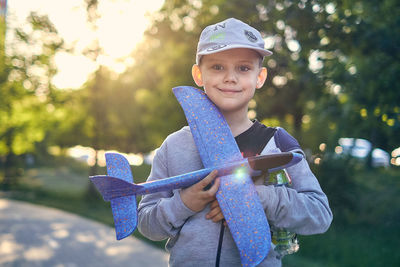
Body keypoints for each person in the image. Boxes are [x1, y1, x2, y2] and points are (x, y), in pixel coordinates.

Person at [138, 18, 332, 266]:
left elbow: (320, 215)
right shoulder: (174, 145)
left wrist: (261, 198)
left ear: (260, 77)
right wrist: (183, 203)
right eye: (217, 67)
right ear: (198, 74)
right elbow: (146, 223)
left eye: (243, 68)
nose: (230, 78)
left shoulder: (278, 143)